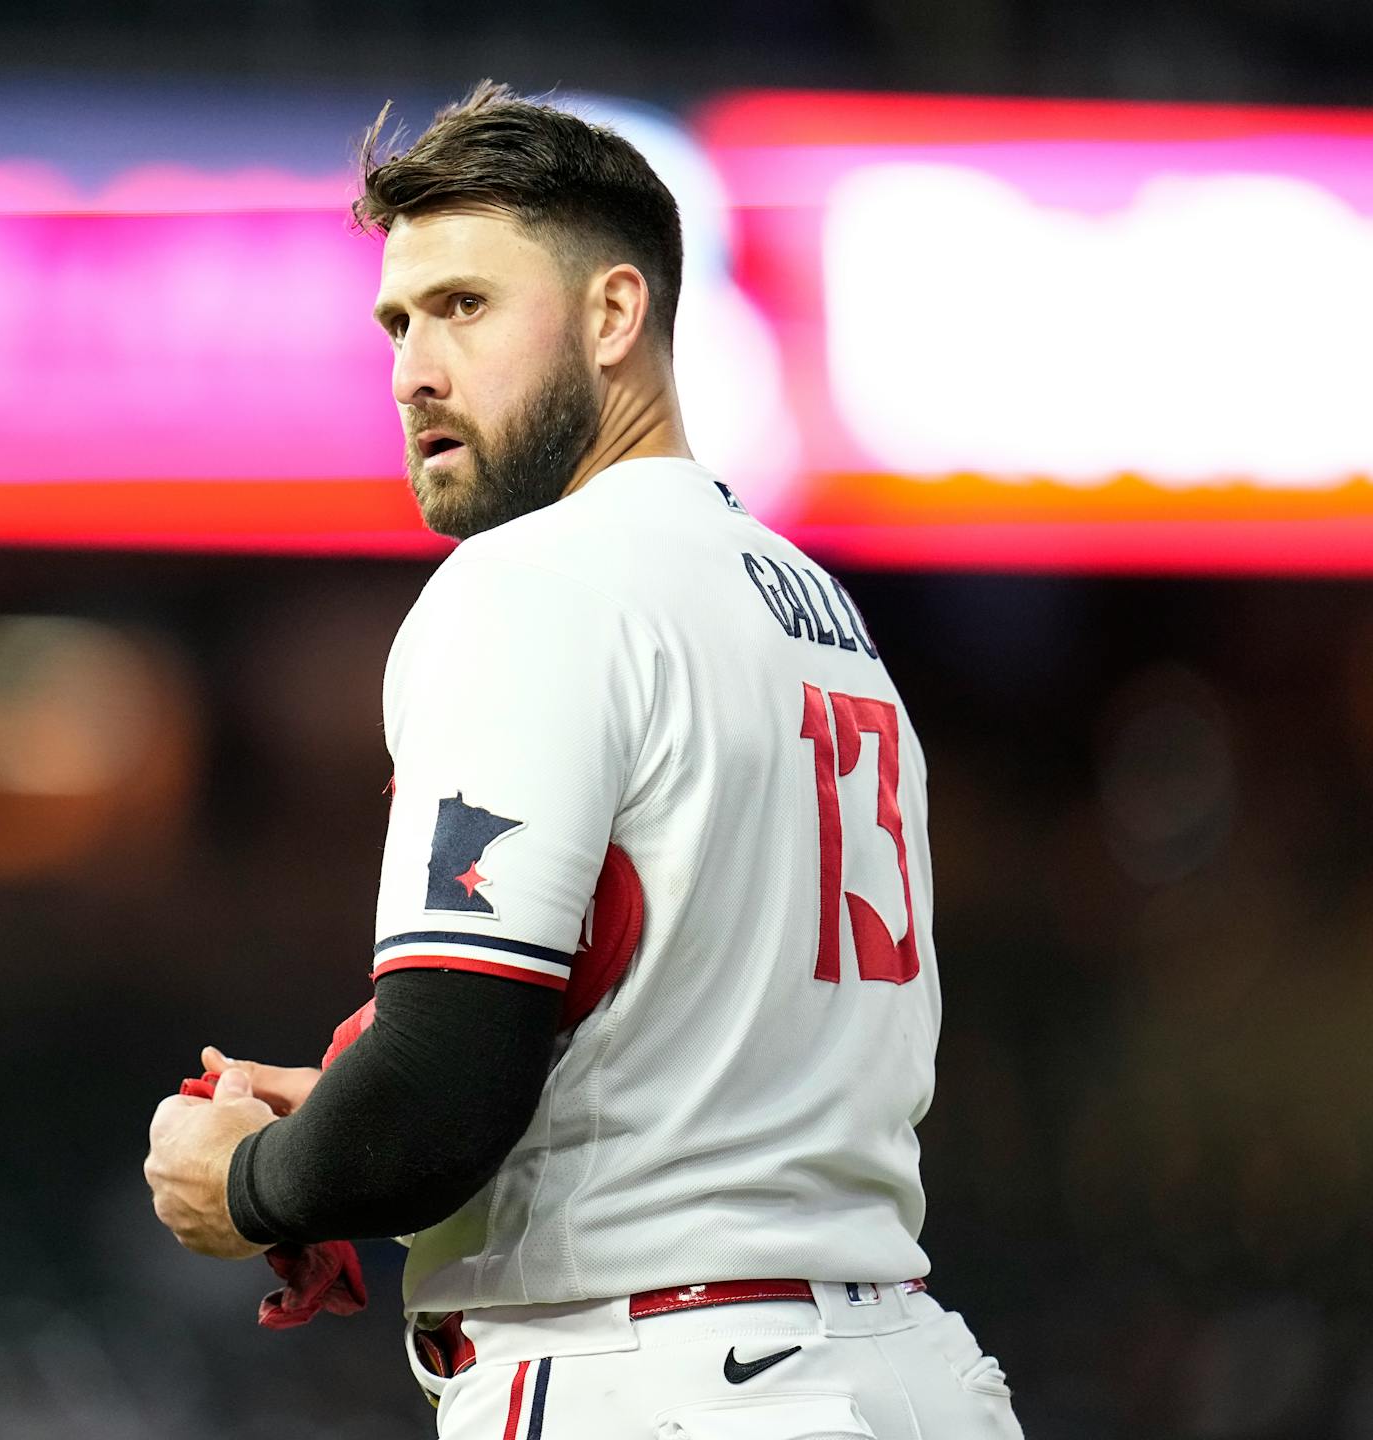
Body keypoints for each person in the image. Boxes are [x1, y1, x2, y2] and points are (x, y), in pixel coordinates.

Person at [143, 81, 1024, 1439]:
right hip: (902, 1371)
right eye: (400, 318)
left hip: (660, 1382)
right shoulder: (817, 612)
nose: (413, 369)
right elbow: (666, 1052)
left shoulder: (532, 583)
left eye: (468, 307)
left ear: (616, 315)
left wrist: (248, 1180)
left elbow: (443, 1097)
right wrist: (343, 1103)